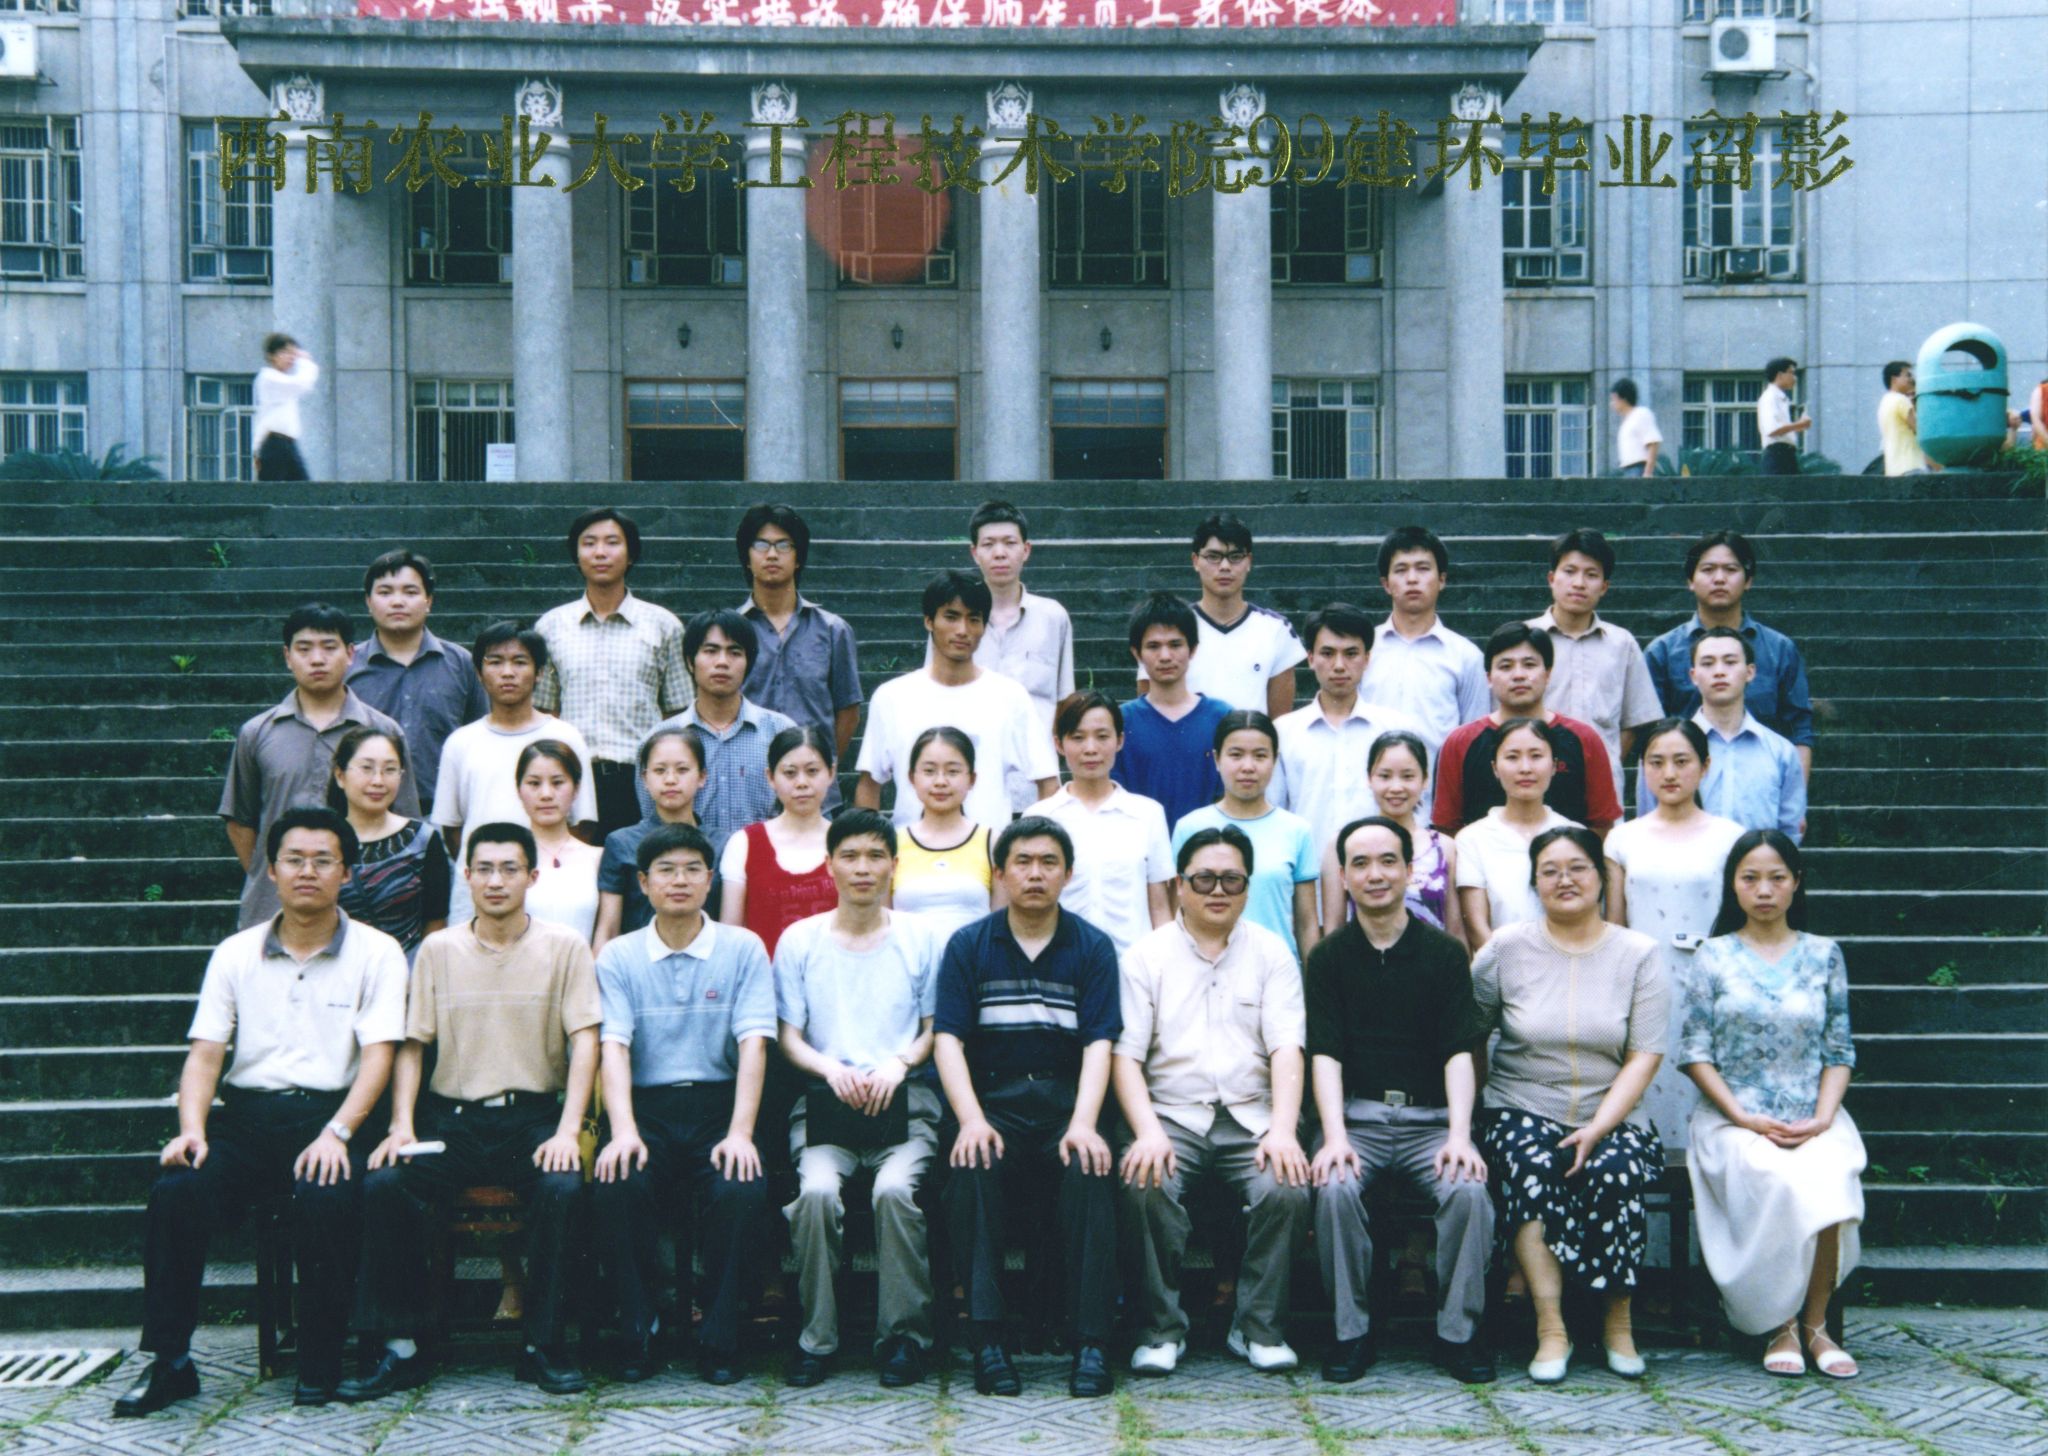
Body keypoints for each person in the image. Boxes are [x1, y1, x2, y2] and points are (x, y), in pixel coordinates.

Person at [113, 808, 406, 1417]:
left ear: (346, 872)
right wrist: (191, 1130)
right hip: (248, 1122)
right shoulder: (235, 953)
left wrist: (338, 1131)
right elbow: (205, 1055)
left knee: (326, 1193)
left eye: (323, 860)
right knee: (176, 1193)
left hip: (334, 1115)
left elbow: (379, 1057)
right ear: (271, 870)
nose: (307, 872)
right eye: (294, 860)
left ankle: (321, 1362)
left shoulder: (378, 953)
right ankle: (170, 1361)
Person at [341, 822, 600, 1401]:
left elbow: (586, 1039)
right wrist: (401, 1125)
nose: (496, 881)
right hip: (451, 1122)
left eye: (510, 869)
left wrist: (567, 1130)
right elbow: (413, 1045)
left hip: (533, 1118)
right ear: (466, 876)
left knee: (562, 1187)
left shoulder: (565, 946)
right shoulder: (439, 950)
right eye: (484, 869)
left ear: (533, 877)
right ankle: (400, 1346)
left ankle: (544, 1344)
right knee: (386, 1183)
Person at [933, 817, 1122, 1399]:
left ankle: (1091, 1342)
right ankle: (988, 1340)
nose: (1035, 874)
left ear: (1068, 873)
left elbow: (1099, 1043)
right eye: (1022, 862)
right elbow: (948, 1040)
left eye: (1048, 863)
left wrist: (1084, 1123)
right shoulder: (969, 945)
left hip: (1067, 1101)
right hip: (994, 1101)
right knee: (972, 1164)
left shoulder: (1092, 946)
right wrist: (971, 1120)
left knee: (1090, 1165)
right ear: (999, 873)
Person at [1115, 824, 1311, 1379]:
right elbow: (1125, 1057)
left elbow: (1287, 1047)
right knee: (1144, 1182)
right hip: (1172, 1114)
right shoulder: (1146, 956)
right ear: (1180, 885)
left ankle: (1258, 1328)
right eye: (1204, 879)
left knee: (1287, 1187)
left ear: (1248, 887)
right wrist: (1147, 1132)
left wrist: (1283, 1130)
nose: (1217, 890)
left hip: (1252, 1114)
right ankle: (1161, 1329)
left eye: (1232, 879)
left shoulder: (1272, 952)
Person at [1473, 827, 1667, 1384]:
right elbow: (1471, 1033)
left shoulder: (1639, 953)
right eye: (1550, 870)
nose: (1565, 880)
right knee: (1530, 1165)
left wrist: (1599, 1128)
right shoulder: (1505, 949)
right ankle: (1551, 1326)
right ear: (1534, 883)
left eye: (1578, 867)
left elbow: (1645, 1054)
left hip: (1612, 1110)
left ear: (1601, 878)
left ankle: (1617, 1322)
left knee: (1615, 1168)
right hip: (1521, 1104)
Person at [1306, 816, 1494, 1386]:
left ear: (1410, 871)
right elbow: (1325, 1055)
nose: (1375, 874)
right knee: (1334, 1188)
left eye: (1388, 861)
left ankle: (1457, 1334)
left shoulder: (1444, 954)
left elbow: (1459, 1051)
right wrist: (1334, 1136)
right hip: (1358, 1119)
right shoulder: (1329, 958)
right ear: (1343, 877)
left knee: (1468, 1191)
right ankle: (1351, 1332)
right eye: (1360, 864)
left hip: (1431, 1122)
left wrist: (1460, 1135)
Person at [592, 823, 776, 1387]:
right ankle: (638, 1327)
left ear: (710, 880)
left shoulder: (742, 948)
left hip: (719, 1104)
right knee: (619, 1182)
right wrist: (623, 1130)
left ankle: (720, 1336)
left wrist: (740, 1133)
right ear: (643, 883)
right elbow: (613, 1047)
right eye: (666, 871)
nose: (680, 881)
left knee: (740, 1188)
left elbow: (754, 1043)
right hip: (645, 1106)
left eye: (693, 869)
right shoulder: (619, 956)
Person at [1681, 830, 1865, 1379]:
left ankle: (1816, 1324)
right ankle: (1778, 1323)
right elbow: (1695, 1053)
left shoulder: (1824, 954)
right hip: (1732, 1119)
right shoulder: (1712, 956)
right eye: (1750, 878)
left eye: (1776, 878)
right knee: (1776, 1178)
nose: (1764, 890)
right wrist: (1741, 1116)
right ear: (1733, 886)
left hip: (1814, 1114)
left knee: (1829, 1173)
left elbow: (1839, 1050)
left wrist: (1824, 1117)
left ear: (1796, 883)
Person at [773, 810, 944, 1388]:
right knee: (817, 1194)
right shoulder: (801, 940)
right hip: (827, 1109)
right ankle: (816, 1338)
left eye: (875, 856)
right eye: (849, 856)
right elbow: (789, 1037)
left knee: (895, 1192)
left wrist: (900, 1063)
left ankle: (903, 1337)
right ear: (829, 865)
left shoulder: (921, 937)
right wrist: (831, 1069)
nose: (863, 868)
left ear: (894, 865)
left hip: (905, 1106)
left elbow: (935, 1029)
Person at [221, 602, 419, 931]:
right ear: (287, 656)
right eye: (304, 649)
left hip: (366, 907)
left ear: (350, 653)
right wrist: (281, 874)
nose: (317, 659)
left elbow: (405, 820)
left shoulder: (383, 732)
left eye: (329, 647)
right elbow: (240, 821)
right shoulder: (257, 733)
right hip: (273, 907)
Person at [1604, 719, 1747, 1154]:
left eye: (1681, 761)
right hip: (1645, 983)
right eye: (1656, 762)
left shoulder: (1731, 838)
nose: (1669, 773)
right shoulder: (1622, 838)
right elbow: (1615, 923)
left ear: (1705, 766)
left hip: (1712, 984)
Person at [855, 569, 1058, 827]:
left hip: (989, 847)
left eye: (973, 619)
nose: (963, 630)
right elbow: (869, 783)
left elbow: (1048, 781)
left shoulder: (1010, 696)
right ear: (929, 621)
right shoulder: (891, 697)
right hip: (909, 848)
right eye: (951, 617)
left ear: (984, 626)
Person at [535, 508, 691, 837]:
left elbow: (678, 713)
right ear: (576, 555)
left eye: (612, 542)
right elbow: (546, 712)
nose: (600, 552)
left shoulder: (663, 625)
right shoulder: (551, 627)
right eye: (589, 543)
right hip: (575, 780)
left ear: (631, 554)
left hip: (641, 780)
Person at [431, 622, 599, 926]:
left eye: (520, 662)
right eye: (495, 662)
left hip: (548, 892)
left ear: (540, 672)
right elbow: (452, 829)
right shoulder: (461, 742)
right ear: (479, 673)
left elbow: (581, 823)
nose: (507, 672)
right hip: (480, 891)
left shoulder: (565, 736)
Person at [1644, 530, 1815, 783]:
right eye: (1708, 569)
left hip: (1761, 782)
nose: (1719, 579)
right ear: (1690, 581)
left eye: (1731, 569)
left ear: (1748, 580)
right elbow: (1650, 735)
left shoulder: (1779, 649)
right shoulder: (1663, 652)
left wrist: (1794, 796)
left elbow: (1799, 730)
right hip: (1686, 787)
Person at [1271, 601, 1429, 864]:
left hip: (1380, 877)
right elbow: (1274, 811)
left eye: (1351, 653)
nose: (1339, 665)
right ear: (1310, 658)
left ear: (1367, 659)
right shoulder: (1284, 732)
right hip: (1307, 876)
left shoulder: (1397, 729)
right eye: (1327, 653)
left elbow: (1418, 811)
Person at [1431, 623, 1621, 836]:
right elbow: (1447, 826)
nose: (1518, 675)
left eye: (1529, 665)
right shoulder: (1460, 742)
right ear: (1489, 677)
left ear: (1548, 673)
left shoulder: (1584, 738)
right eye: (1506, 666)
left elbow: (1601, 823)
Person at [733, 503, 865, 800]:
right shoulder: (732, 631)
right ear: (747, 558)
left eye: (783, 545)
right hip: (750, 787)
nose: (772, 555)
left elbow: (848, 712)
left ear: (798, 558)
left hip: (816, 792)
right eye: (761, 545)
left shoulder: (832, 630)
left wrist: (822, 765)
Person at [951, 500, 1076, 812]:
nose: (1000, 553)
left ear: (1026, 550)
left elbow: (1065, 701)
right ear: (974, 553)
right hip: (969, 789)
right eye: (988, 544)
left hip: (1035, 786)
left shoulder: (1053, 617)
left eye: (1009, 543)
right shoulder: (953, 622)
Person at [639, 609, 795, 856]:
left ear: (748, 663)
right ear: (690, 661)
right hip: (688, 870)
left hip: (763, 865)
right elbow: (652, 820)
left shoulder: (780, 732)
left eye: (735, 652)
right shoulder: (660, 740)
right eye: (710, 651)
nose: (722, 662)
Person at [1525, 528, 1662, 805]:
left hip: (1601, 785)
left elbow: (1635, 720)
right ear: (1551, 579)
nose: (1579, 583)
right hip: (1532, 781)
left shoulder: (1622, 644)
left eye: (1591, 574)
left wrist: (1604, 761)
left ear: (1604, 587)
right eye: (1569, 571)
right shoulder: (1524, 639)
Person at [1169, 710, 1320, 962]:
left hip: (1276, 971)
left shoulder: (1297, 830)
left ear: (1274, 760)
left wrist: (1311, 979)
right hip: (1204, 968)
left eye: (1260, 755)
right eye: (1236, 755)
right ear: (1217, 759)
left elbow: (1307, 924)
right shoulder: (1189, 827)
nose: (1248, 767)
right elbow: (1177, 912)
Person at [346, 549, 487, 816]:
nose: (397, 602)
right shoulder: (347, 666)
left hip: (445, 814)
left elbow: (481, 737)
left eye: (410, 592)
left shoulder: (461, 664)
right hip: (366, 814)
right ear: (368, 602)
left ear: (428, 600)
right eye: (385, 592)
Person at [1038, 692, 1174, 955]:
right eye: (1078, 737)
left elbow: (1160, 907)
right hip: (1062, 965)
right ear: (1059, 744)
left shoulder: (1148, 814)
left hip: (1134, 965)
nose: (1091, 749)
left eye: (1102, 736)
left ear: (1119, 740)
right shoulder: (1041, 817)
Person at [1639, 629, 1806, 841]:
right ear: (1693, 676)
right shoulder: (1662, 750)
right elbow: (1647, 823)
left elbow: (1790, 831)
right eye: (1708, 663)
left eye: (1730, 662)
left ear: (1750, 672)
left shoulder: (1781, 752)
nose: (1719, 672)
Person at [1138, 512, 1303, 720]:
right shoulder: (1169, 628)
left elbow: (1279, 724)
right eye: (1213, 557)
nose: (1225, 567)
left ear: (1249, 561)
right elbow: (1148, 712)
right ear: (1195, 561)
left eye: (1235, 557)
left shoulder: (1275, 629)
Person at [1317, 733, 1465, 944]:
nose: (1396, 788)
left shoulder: (1444, 847)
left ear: (1425, 780)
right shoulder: (1343, 843)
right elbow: (1333, 928)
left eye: (1407, 776)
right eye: (1385, 776)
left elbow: (1455, 929)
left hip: (1433, 962)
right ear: (1369, 778)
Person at [1452, 719, 1581, 951]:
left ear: (1554, 765)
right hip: (1498, 966)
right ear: (1495, 768)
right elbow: (1476, 925)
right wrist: (1512, 967)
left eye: (1536, 756)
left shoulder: (1576, 835)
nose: (1525, 768)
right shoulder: (1472, 839)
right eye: (1512, 757)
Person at [1359, 525, 1488, 754]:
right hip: (1372, 775)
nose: (1412, 579)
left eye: (1423, 568)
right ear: (1386, 584)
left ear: (1442, 580)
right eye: (1401, 570)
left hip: (1438, 777)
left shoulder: (1466, 656)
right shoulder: (1363, 650)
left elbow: (1473, 738)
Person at [328, 726, 450, 965]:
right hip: (336, 972)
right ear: (340, 776)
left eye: (390, 769)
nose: (378, 781)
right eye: (366, 768)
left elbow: (435, 922)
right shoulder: (323, 842)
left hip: (405, 973)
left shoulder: (423, 840)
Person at [1112, 593, 1235, 831]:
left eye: (1175, 645)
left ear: (1193, 649)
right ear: (1137, 653)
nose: (1165, 656)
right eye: (1153, 646)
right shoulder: (1121, 720)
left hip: (1208, 846)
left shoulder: (1222, 717)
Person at [721, 725, 839, 958]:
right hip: (765, 978)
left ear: (831, 773)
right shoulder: (744, 843)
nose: (802, 782)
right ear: (770, 777)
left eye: (812, 771)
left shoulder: (846, 842)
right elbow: (731, 935)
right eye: (790, 773)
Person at [595, 726, 708, 952]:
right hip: (637, 966)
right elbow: (608, 929)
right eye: (659, 770)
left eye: (682, 769)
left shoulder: (723, 843)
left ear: (702, 777)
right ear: (645, 779)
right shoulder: (621, 842)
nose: (670, 779)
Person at [889, 726, 999, 940]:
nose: (940, 782)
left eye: (952, 771)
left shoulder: (992, 842)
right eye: (929, 771)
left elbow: (1001, 924)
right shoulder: (892, 843)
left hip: (974, 961)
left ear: (972, 779)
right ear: (912, 778)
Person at [518, 740, 605, 944]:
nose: (546, 794)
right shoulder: (507, 859)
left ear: (576, 789)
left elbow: (606, 933)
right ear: (518, 790)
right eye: (534, 783)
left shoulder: (598, 858)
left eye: (557, 782)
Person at [253, 331, 318, 482]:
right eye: (285, 352)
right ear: (271, 355)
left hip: (287, 444)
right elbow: (303, 384)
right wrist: (305, 362)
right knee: (273, 491)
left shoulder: (280, 379)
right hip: (274, 443)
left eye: (293, 353)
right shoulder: (268, 377)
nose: (291, 357)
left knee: (304, 491)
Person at [1877, 361, 1937, 476]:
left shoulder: (1885, 402)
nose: (1911, 379)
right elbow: (1921, 431)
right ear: (1894, 379)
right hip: (1911, 467)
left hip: (1893, 470)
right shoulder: (1901, 400)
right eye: (1907, 375)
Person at [1757, 357, 1810, 475]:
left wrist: (1799, 426)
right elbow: (1772, 429)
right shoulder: (1770, 397)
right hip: (1777, 455)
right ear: (1780, 375)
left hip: (1786, 454)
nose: (1795, 378)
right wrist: (1799, 425)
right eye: (1791, 373)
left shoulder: (1780, 398)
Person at [1609, 378, 1663, 478]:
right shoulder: (1626, 422)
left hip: (1640, 469)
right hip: (1627, 470)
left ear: (1623, 399)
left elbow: (1653, 443)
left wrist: (1648, 473)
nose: (1612, 404)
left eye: (1614, 399)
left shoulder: (1641, 414)